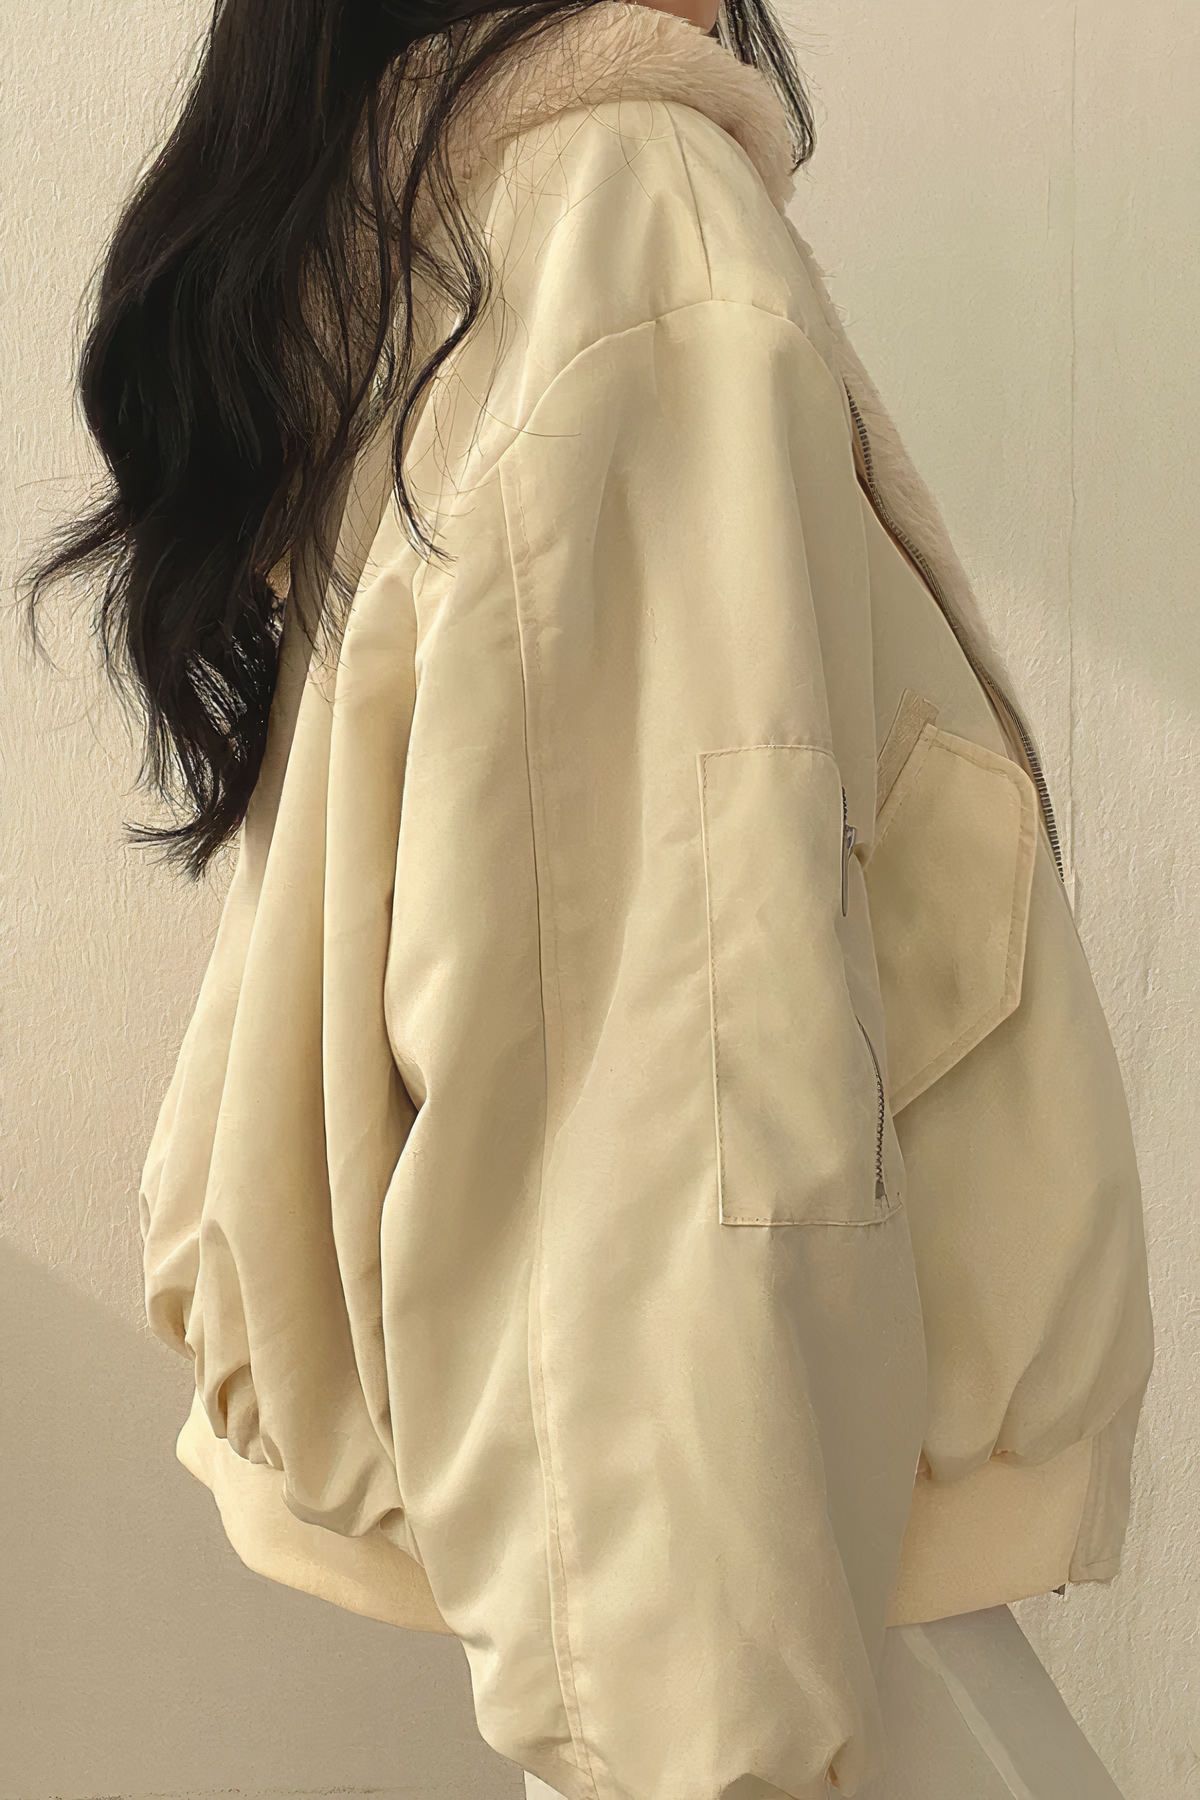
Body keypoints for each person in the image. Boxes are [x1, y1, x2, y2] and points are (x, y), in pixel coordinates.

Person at [22, 1, 1154, 1796]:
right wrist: (708, 1730)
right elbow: (674, 1080)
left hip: (688, 1525)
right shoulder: (632, 219)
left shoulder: (463, 212)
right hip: (749, 1568)